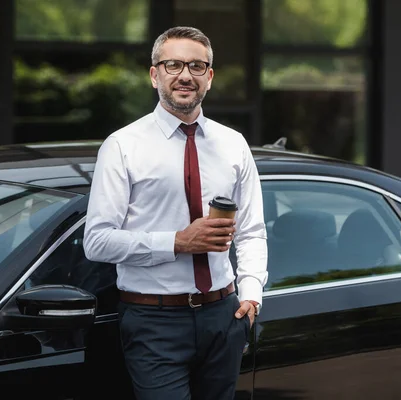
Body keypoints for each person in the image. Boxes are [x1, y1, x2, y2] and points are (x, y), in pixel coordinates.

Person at [82, 26, 268, 400]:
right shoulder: (122, 146)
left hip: (223, 316)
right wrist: (179, 242)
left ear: (209, 78)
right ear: (155, 75)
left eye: (197, 66)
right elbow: (97, 241)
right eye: (173, 65)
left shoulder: (233, 144)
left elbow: (251, 231)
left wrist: (250, 294)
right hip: (154, 321)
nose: (185, 75)